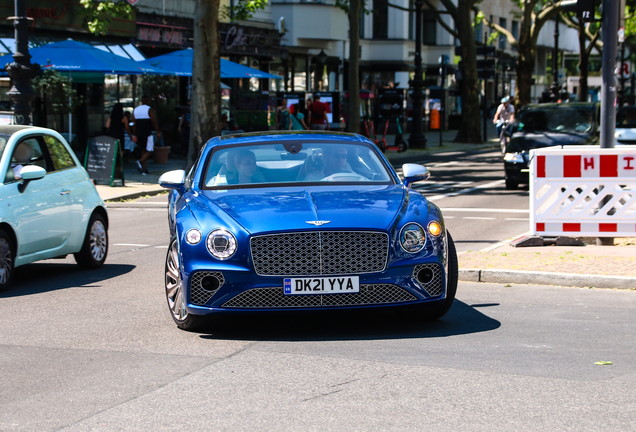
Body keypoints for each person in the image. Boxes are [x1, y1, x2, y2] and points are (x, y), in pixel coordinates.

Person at [132, 95, 162, 175]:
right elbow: (153, 121)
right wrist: (158, 131)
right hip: (147, 132)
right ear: (147, 101)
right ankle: (140, 161)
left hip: (138, 132)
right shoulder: (149, 109)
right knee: (149, 150)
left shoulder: (136, 110)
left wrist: (134, 134)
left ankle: (144, 169)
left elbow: (134, 123)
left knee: (143, 150)